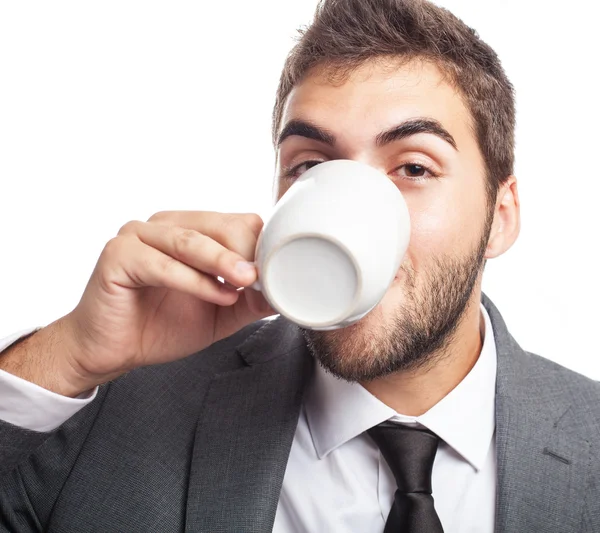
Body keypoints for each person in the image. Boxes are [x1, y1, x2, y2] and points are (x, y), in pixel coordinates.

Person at [1, 0, 599, 531]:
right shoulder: (122, 409)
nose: (351, 215)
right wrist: (67, 355)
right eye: (310, 167)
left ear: (501, 216)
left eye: (414, 167)